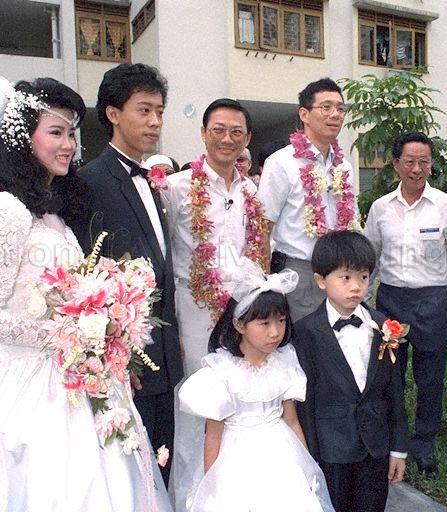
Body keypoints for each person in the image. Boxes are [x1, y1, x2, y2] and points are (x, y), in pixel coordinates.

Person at [0, 77, 172, 511]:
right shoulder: (2, 210)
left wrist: (100, 328)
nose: (69, 145)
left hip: (79, 376)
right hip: (28, 385)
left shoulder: (52, 213)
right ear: (22, 138)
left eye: (73, 134)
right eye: (56, 132)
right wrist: (68, 335)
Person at [71, 63, 183, 484]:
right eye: (144, 110)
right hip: (125, 357)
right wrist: (113, 357)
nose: (155, 121)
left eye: (159, 111)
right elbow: (87, 275)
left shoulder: (154, 179)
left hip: (163, 350)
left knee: (162, 460)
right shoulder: (89, 181)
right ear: (113, 113)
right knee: (130, 469)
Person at [163, 98, 268, 510]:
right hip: (193, 313)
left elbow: (257, 251)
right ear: (203, 132)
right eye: (219, 130)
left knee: (238, 404)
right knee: (195, 408)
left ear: (247, 139)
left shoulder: (250, 191)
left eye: (236, 132)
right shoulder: (177, 188)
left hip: (240, 315)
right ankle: (191, 499)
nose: (227, 139)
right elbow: (163, 256)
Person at [177, 264, 335, 511]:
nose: (275, 332)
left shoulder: (285, 361)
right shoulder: (222, 371)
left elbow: (291, 421)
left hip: (279, 452)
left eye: (281, 321)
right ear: (239, 325)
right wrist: (211, 487)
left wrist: (306, 465)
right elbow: (214, 435)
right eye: (264, 323)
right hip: (236, 457)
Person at [363, 131, 447, 477]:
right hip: (392, 300)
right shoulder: (381, 208)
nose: (416, 169)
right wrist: (365, 307)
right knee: (390, 376)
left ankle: (424, 442)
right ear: (395, 164)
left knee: (430, 375)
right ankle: (394, 439)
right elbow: (371, 259)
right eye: (409, 161)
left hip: (432, 302)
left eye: (423, 161)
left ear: (431, 164)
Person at [293, 230, 408, 512]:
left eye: (364, 277)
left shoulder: (383, 327)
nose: (356, 286)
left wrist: (398, 448)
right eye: (345, 278)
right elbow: (305, 403)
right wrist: (310, 457)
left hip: (376, 446)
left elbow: (395, 392)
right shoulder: (306, 332)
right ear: (321, 280)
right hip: (331, 449)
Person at [257, 78, 360, 321]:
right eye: (326, 107)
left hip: (338, 270)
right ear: (304, 113)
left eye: (340, 108)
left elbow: (351, 216)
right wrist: (264, 282)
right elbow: (262, 226)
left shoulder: (343, 166)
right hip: (297, 271)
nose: (335, 114)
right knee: (299, 346)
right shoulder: (281, 163)